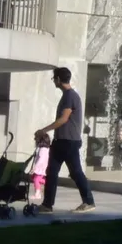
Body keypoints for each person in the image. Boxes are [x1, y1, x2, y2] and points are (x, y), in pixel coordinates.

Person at [33, 68, 96, 213]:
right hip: (60, 141)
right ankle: (47, 205)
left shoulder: (70, 96)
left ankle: (89, 201)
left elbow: (63, 119)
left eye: (54, 78)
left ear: (59, 79)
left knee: (76, 172)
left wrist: (43, 130)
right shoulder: (67, 95)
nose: (53, 81)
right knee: (52, 172)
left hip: (69, 142)